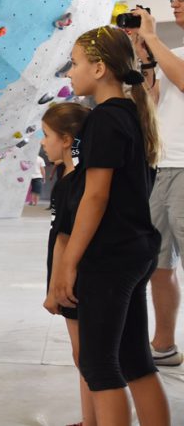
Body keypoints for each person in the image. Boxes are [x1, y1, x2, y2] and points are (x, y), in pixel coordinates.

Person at [51, 26, 170, 426]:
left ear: (99, 68)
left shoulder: (104, 120)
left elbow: (96, 196)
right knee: (135, 361)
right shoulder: (129, 114)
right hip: (136, 250)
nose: (69, 72)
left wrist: (69, 263)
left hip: (111, 256)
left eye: (76, 63)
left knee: (100, 366)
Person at [129, 0, 184, 367]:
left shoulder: (170, 52)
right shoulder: (172, 50)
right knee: (158, 264)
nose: (175, 4)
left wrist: (152, 39)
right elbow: (149, 98)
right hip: (161, 166)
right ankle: (163, 344)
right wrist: (144, 58)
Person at [40, 102, 93, 426]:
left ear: (66, 139)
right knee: (84, 356)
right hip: (75, 280)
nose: (43, 142)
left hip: (73, 283)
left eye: (47, 135)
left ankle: (96, 418)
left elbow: (63, 239)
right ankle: (91, 418)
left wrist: (53, 289)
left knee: (85, 355)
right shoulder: (74, 179)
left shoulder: (71, 184)